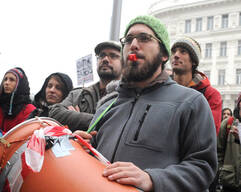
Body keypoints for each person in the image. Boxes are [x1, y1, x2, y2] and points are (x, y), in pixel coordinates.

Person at [75, 15, 217, 191]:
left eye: (144, 38)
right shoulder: (106, 106)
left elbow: (203, 167)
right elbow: (93, 161)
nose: (133, 45)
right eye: (128, 40)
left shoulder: (191, 102)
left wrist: (152, 179)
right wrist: (81, 150)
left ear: (164, 54)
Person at [49, 41, 122, 131]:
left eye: (113, 56)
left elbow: (118, 124)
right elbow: (55, 113)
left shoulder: (127, 95)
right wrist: (99, 120)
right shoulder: (77, 94)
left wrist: (74, 118)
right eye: (102, 55)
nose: (105, 59)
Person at [171, 36, 222, 134]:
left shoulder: (211, 95)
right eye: (174, 52)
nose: (176, 55)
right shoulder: (162, 89)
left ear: (194, 61)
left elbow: (208, 133)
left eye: (183, 52)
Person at [0, 67, 35, 133]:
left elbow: (22, 138)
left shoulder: (29, 110)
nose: (6, 83)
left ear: (20, 84)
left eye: (12, 80)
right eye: (5, 79)